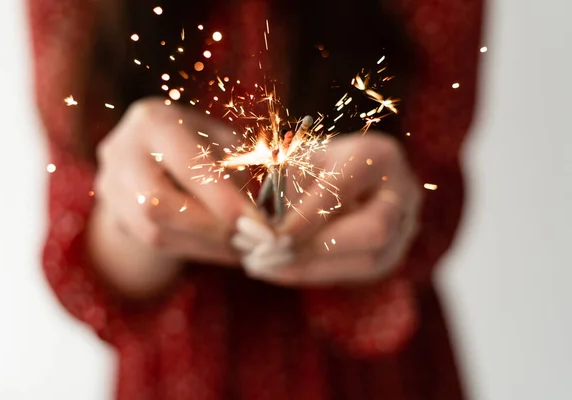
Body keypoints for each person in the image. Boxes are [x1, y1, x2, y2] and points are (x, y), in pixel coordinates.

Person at [28, 0, 483, 398]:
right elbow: (78, 239)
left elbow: (434, 192)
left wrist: (389, 221)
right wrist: (135, 220)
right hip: (173, 377)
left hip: (378, 377)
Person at [256, 128, 295, 219]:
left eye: (290, 137)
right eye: (287, 136)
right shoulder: (280, 144)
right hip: (273, 170)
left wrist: (274, 157)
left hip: (279, 173)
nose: (289, 138)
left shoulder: (289, 147)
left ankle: (280, 216)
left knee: (279, 195)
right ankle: (258, 204)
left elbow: (280, 160)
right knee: (265, 189)